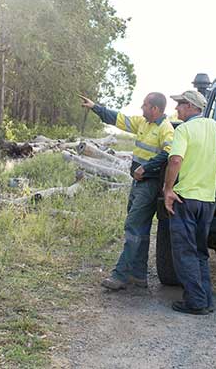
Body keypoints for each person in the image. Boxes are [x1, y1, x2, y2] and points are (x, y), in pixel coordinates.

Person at [80, 92, 175, 290]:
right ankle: (139, 276)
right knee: (140, 229)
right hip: (137, 183)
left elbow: (169, 154)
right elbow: (118, 119)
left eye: (145, 105)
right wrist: (95, 107)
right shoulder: (143, 123)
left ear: (155, 109)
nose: (142, 107)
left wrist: (146, 168)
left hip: (148, 186)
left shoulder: (166, 129)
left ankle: (120, 275)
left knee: (133, 227)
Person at [162, 89, 216, 315]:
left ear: (190, 106)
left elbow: (175, 159)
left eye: (179, 104)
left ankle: (195, 302)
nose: (176, 108)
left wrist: (168, 189)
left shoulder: (184, 129)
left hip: (185, 198)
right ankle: (206, 300)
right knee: (200, 252)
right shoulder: (214, 127)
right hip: (207, 199)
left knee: (184, 252)